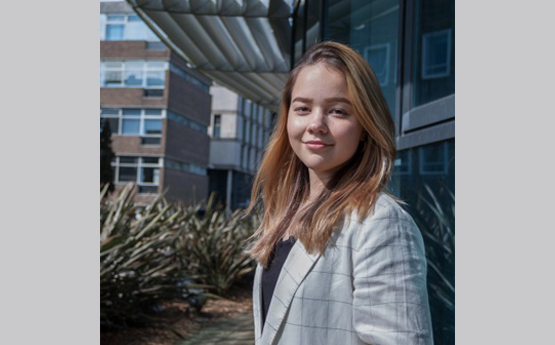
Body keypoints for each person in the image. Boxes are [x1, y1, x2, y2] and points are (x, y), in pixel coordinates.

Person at [245, 41, 433, 345]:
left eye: (338, 111)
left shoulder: (380, 223)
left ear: (365, 127)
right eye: (303, 108)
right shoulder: (286, 213)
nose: (316, 124)